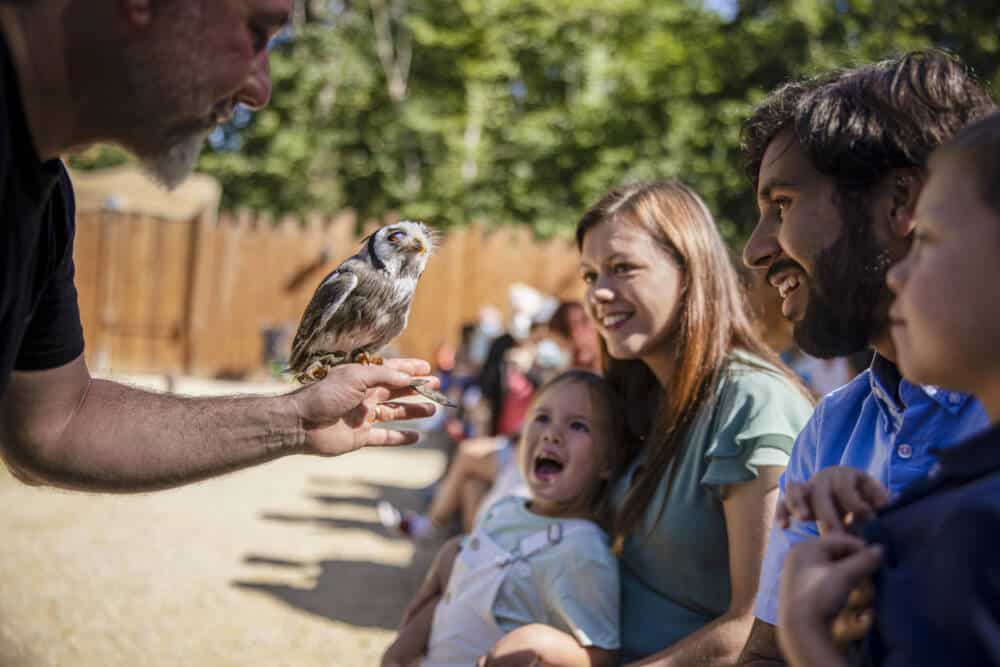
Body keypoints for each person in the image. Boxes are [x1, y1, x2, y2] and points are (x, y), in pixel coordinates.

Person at [0, 1, 437, 493]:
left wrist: (295, 419)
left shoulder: (46, 196)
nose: (260, 90)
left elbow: (55, 428)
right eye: (256, 34)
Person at [402, 181, 814, 665]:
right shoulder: (644, 397)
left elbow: (758, 630)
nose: (598, 292)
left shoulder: (752, 402)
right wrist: (474, 558)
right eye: (591, 273)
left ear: (690, 271)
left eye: (623, 269)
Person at [735, 49, 995, 666]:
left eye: (783, 204)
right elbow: (767, 655)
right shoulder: (831, 430)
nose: (753, 250)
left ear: (903, 203)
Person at [380, 370, 623, 667]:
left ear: (608, 463)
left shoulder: (583, 551)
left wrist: (542, 643)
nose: (551, 433)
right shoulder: (505, 508)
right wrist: (398, 653)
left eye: (577, 425)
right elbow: (456, 597)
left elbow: (603, 657)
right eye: (542, 418)